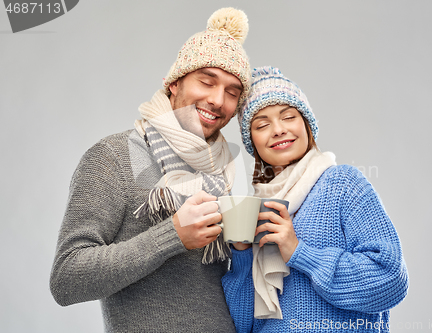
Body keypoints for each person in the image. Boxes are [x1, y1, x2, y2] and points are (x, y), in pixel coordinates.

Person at [50, 8, 252, 332]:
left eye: (232, 92)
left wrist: (248, 249)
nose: (218, 100)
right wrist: (173, 235)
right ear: (173, 83)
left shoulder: (225, 170)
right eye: (207, 81)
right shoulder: (113, 157)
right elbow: (66, 278)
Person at [222, 67, 409, 332]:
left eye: (288, 117)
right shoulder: (257, 209)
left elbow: (390, 280)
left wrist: (299, 252)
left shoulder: (343, 184)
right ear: (252, 140)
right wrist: (241, 254)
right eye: (262, 124)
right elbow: (243, 325)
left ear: (306, 125)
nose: (277, 130)